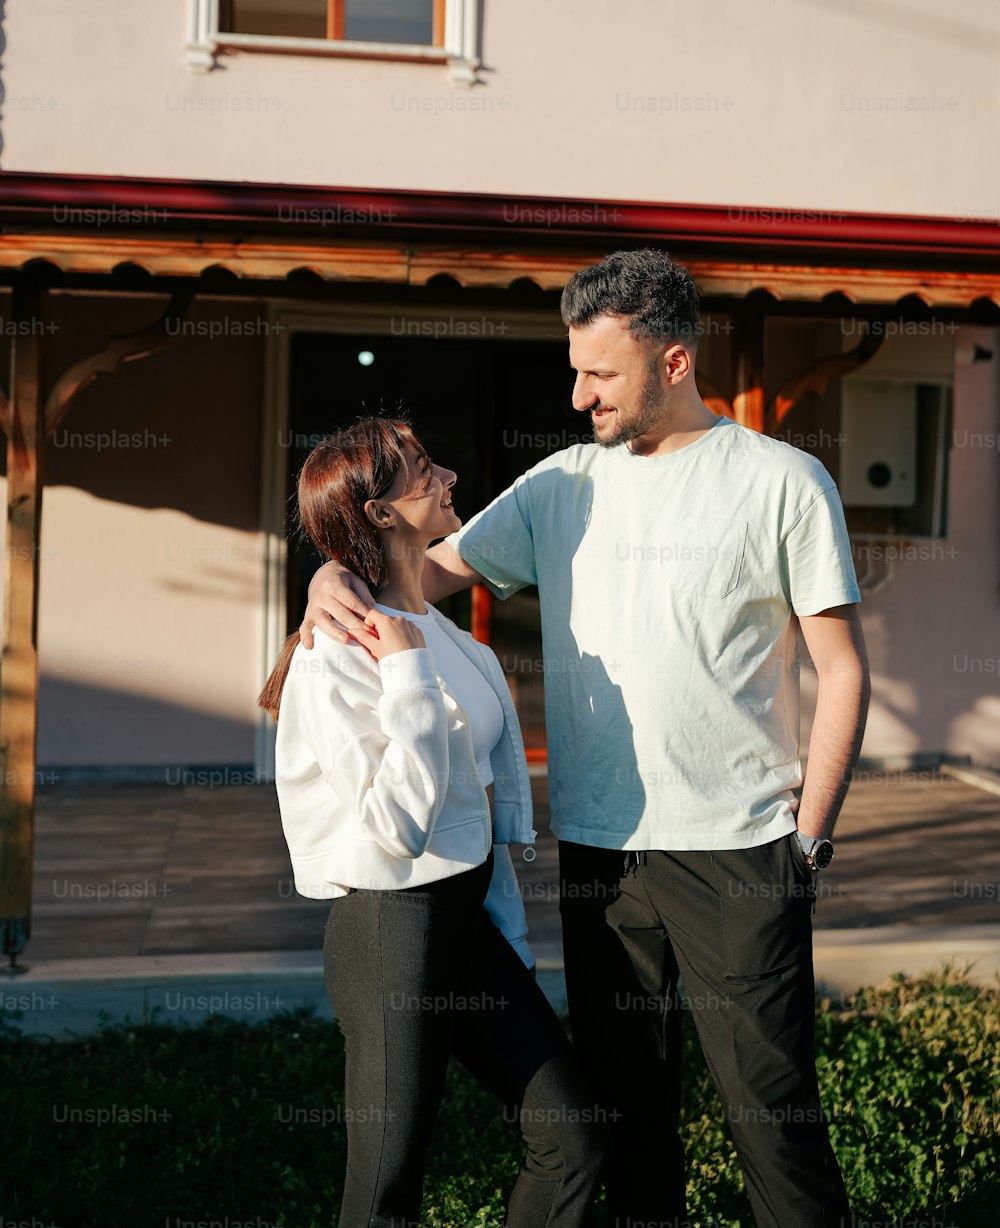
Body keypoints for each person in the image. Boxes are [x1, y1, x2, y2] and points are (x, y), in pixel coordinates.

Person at [300, 250, 871, 1228]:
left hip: (742, 854)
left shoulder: (782, 481)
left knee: (773, 1126)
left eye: (600, 374)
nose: (578, 396)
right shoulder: (560, 485)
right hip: (602, 858)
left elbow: (843, 668)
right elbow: (415, 571)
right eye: (575, 370)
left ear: (675, 361)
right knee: (628, 1123)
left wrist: (806, 839)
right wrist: (330, 580)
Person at [260, 416, 606, 1228]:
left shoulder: (458, 642)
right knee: (385, 1197)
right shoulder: (336, 654)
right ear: (381, 513)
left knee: (575, 1138)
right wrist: (408, 676)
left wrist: (508, 936)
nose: (447, 474)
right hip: (391, 930)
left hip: (465, 921)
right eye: (421, 468)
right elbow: (395, 823)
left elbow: (478, 808)